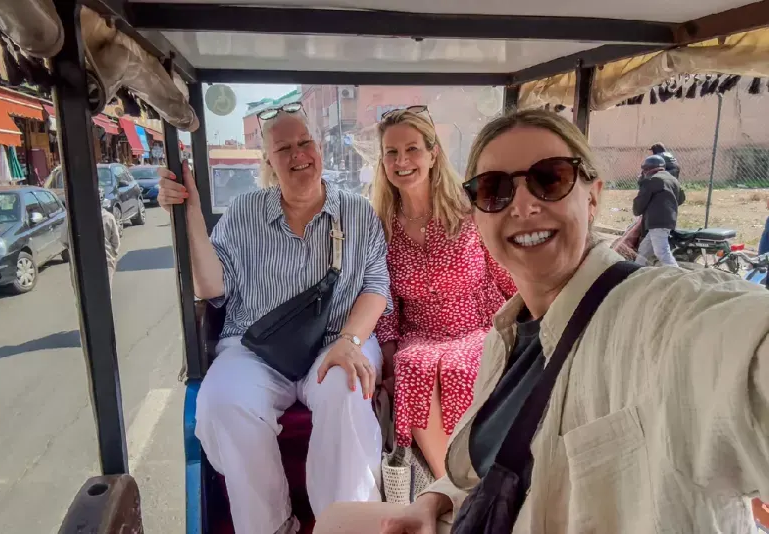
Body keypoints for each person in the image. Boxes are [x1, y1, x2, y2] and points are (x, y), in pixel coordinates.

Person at [315, 109, 769, 534]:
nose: (523, 205)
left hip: (466, 337)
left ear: (593, 196)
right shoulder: (505, 341)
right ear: (480, 214)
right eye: (495, 189)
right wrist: (438, 498)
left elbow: (740, 345)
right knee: (334, 520)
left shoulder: (660, 313)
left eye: (550, 179)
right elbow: (483, 467)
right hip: (484, 503)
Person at [157, 102, 393, 534]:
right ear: (268, 161)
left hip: (338, 340)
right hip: (257, 346)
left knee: (348, 388)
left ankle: (343, 525)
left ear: (318, 148)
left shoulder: (357, 212)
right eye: (284, 148)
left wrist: (350, 341)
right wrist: (188, 212)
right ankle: (271, 526)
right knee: (223, 401)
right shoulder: (245, 211)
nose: (298, 154)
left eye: (305, 142)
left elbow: (376, 286)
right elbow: (211, 285)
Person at [370, 106, 516, 478]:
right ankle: (448, 485)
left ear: (433, 154)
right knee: (411, 365)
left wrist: (534, 320)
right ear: (383, 162)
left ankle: (476, 478)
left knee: (458, 366)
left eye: (412, 149)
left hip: (477, 326)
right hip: (420, 333)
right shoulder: (381, 226)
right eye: (391, 152)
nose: (402, 161)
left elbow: (505, 271)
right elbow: (385, 302)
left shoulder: (469, 210)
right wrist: (387, 357)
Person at [633, 154, 685, 267]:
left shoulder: (651, 180)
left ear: (647, 169)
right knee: (644, 250)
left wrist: (641, 183)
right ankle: (636, 269)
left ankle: (676, 273)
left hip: (656, 222)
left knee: (661, 252)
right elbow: (681, 198)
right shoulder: (673, 180)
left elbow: (640, 202)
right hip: (668, 221)